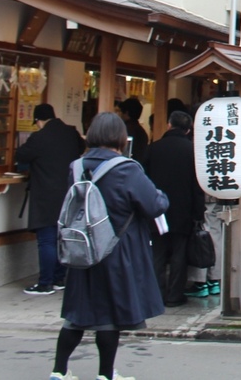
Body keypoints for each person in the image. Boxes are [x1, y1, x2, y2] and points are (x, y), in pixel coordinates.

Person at [50, 111, 167, 380]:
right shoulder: (126, 168)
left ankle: (59, 370)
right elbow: (154, 204)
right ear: (120, 138)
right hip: (116, 248)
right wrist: (161, 194)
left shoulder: (77, 166)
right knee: (109, 314)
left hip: (82, 247)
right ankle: (105, 374)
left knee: (78, 311)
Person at [15, 103, 85, 296]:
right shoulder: (71, 133)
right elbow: (81, 148)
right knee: (63, 238)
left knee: (46, 240)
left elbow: (21, 154)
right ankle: (59, 278)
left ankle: (45, 282)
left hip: (46, 195)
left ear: (39, 120)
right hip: (69, 194)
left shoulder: (39, 137)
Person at [144, 110, 203, 306]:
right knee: (179, 254)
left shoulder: (154, 148)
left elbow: (144, 179)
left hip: (156, 210)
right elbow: (197, 186)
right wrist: (198, 212)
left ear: (169, 125)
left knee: (157, 253)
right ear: (188, 130)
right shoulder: (192, 151)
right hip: (183, 210)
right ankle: (174, 295)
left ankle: (155, 295)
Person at [117, 97, 150, 165]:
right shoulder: (142, 132)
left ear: (126, 113)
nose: (119, 115)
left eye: (120, 111)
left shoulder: (124, 130)